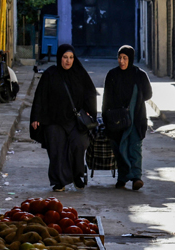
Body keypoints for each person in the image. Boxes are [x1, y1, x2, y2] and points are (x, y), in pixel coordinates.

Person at [29, 44, 96, 192]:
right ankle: (59, 181)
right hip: (54, 120)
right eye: (65, 57)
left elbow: (90, 93)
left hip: (75, 121)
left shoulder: (79, 74)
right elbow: (40, 96)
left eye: (71, 57)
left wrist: (91, 113)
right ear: (59, 57)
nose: (68, 61)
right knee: (56, 149)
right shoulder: (50, 74)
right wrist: (36, 117)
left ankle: (78, 175)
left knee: (79, 145)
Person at [102, 45, 154, 190]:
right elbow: (106, 98)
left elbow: (148, 94)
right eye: (119, 58)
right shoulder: (112, 75)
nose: (121, 61)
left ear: (130, 59)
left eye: (125, 58)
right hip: (116, 120)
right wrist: (106, 116)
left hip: (136, 118)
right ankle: (123, 177)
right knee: (119, 149)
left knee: (134, 147)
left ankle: (137, 177)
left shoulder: (139, 74)